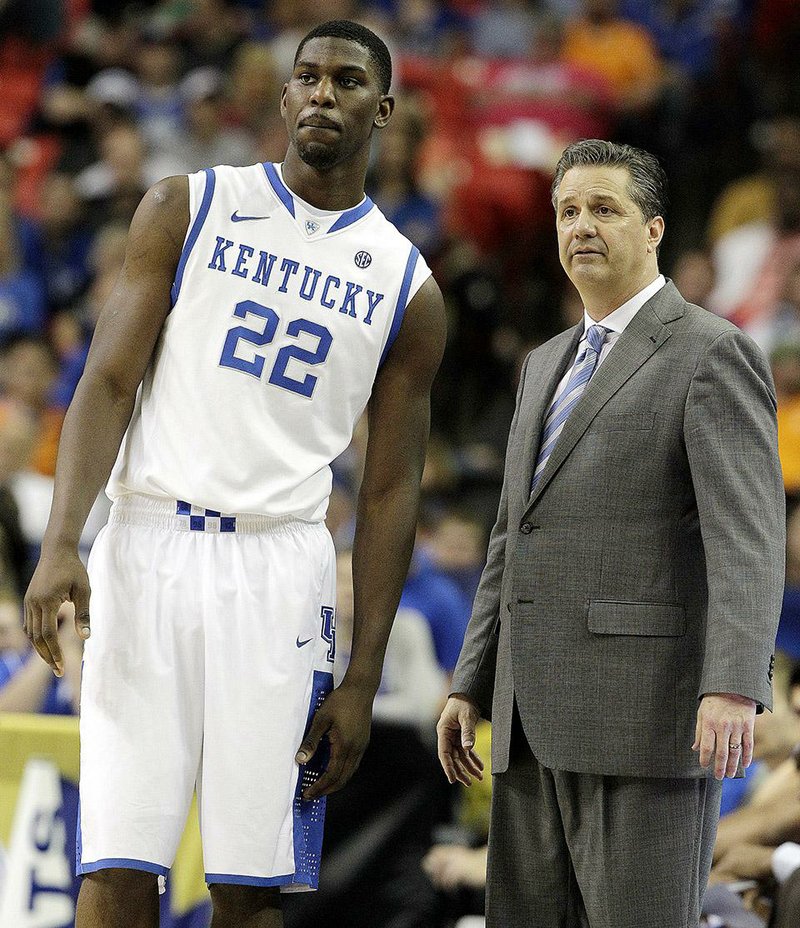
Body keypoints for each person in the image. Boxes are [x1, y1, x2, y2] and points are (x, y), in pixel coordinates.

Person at [24, 19, 445, 928]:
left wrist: (364, 676)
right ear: (286, 95)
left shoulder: (408, 287)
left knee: (250, 887)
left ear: (386, 108)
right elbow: (105, 380)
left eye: (345, 80)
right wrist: (64, 540)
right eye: (307, 77)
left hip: (282, 575)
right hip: (147, 546)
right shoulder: (190, 204)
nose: (322, 93)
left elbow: (389, 490)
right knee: (118, 863)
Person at [436, 139, 785, 928]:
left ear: (655, 227)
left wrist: (731, 685)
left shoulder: (711, 352)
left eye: (604, 208)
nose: (580, 227)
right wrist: (471, 678)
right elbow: (509, 538)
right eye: (566, 211)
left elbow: (749, 539)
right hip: (529, 721)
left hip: (646, 718)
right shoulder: (543, 362)